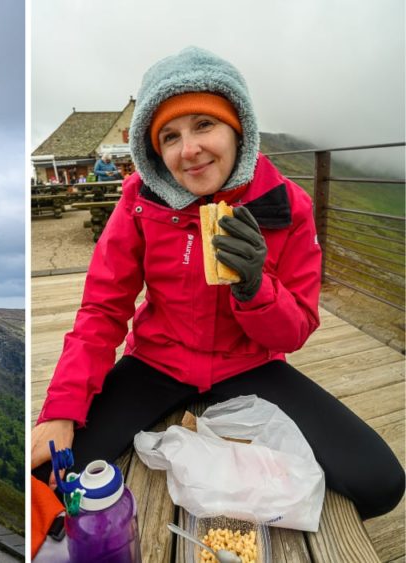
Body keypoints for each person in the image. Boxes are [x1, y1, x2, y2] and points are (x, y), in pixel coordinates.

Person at [30, 46, 404, 520]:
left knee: (380, 483)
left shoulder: (286, 205)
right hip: (155, 362)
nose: (189, 150)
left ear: (238, 127)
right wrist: (61, 409)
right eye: (170, 136)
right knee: (46, 479)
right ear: (154, 150)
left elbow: (297, 329)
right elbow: (103, 310)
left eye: (204, 125)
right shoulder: (139, 203)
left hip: (248, 365)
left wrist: (254, 289)